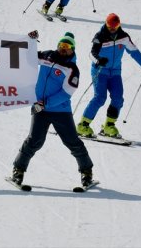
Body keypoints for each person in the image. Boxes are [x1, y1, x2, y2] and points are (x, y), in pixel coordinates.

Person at [10, 31, 94, 189]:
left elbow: (66, 92)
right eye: (61, 45)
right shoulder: (48, 56)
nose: (63, 48)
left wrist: (45, 104)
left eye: (67, 46)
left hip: (60, 111)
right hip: (39, 107)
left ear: (72, 49)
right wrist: (30, 40)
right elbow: (28, 58)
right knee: (34, 141)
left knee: (72, 142)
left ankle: (87, 172)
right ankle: (18, 170)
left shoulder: (72, 69)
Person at [76, 13, 141, 139]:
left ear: (119, 25)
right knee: (100, 98)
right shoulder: (100, 36)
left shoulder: (124, 37)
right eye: (109, 26)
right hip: (100, 71)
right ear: (106, 24)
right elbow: (92, 54)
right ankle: (83, 125)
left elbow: (134, 51)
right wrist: (98, 60)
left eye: (114, 26)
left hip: (115, 72)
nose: (111, 29)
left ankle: (109, 125)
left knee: (118, 98)